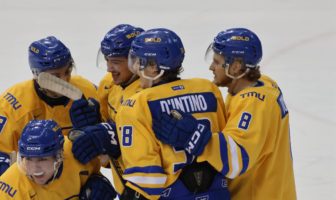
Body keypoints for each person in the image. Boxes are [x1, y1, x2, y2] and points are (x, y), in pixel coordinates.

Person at [152, 28, 297, 199]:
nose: (211, 67)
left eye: (217, 62)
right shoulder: (263, 83)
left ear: (235, 67)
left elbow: (237, 160)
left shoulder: (254, 103)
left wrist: (192, 136)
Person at [0, 36, 100, 199]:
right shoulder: (13, 104)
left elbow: (116, 144)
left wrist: (97, 134)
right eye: (55, 76)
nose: (65, 80)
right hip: (30, 183)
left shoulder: (88, 92)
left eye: (67, 71)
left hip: (70, 181)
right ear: (37, 74)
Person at [115, 28, 230, 199]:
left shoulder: (137, 104)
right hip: (217, 191)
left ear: (154, 67)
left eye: (140, 62)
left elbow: (146, 180)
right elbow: (222, 145)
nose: (136, 69)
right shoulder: (207, 89)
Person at [69, 24, 144, 195]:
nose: (110, 68)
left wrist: (107, 136)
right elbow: (107, 152)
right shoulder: (108, 85)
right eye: (107, 60)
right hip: (125, 185)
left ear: (138, 61)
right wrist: (93, 124)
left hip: (151, 188)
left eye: (116, 62)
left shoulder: (150, 93)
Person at [0, 119, 116, 199]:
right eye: (28, 159)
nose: (35, 169)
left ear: (59, 156)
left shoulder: (78, 154)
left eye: (42, 159)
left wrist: (100, 181)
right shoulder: (9, 190)